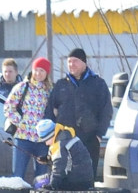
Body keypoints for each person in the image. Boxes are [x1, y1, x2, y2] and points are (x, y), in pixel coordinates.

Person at [43, 47, 111, 181]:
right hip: (63, 140)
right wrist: (50, 136)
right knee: (62, 176)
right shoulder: (61, 85)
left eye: (75, 61)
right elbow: (49, 110)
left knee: (87, 177)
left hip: (89, 140)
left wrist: (99, 135)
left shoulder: (98, 84)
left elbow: (106, 111)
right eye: (69, 62)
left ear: (84, 62)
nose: (71, 65)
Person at [3, 56, 53, 183]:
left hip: (42, 140)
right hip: (23, 138)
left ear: (47, 73)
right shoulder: (23, 87)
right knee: (18, 176)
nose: (38, 73)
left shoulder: (49, 91)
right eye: (36, 70)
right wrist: (20, 122)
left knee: (42, 177)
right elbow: (8, 107)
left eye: (42, 71)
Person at [33, 118, 93, 191]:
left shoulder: (59, 144)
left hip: (74, 182)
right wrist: (47, 159)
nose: (46, 143)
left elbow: (59, 168)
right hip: (85, 179)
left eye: (46, 140)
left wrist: (52, 185)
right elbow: (67, 158)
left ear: (51, 135)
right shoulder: (66, 135)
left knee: (37, 182)